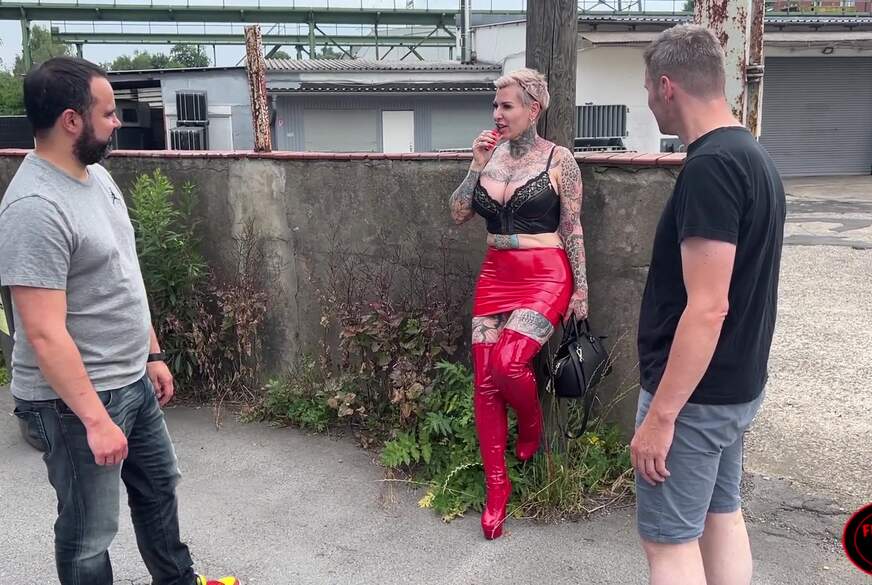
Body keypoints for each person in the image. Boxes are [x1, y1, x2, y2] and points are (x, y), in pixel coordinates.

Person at [0, 56, 239, 585]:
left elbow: (122, 275)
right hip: (75, 402)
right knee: (90, 531)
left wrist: (151, 352)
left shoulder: (98, 177)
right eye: (107, 113)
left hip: (129, 379)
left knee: (158, 490)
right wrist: (94, 420)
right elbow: (42, 331)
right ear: (71, 120)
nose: (117, 122)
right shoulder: (35, 207)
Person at [632, 25, 786, 585]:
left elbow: (707, 307)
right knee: (722, 516)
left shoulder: (711, 167)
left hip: (694, 398)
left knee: (669, 544)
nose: (649, 104)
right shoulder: (753, 156)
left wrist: (661, 417)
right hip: (734, 388)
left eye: (648, 90)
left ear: (666, 86)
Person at [448, 68, 588, 540]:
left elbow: (572, 227)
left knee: (509, 363)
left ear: (533, 109)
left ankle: (530, 424)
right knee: (485, 382)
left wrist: (582, 289)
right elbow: (458, 214)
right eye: (495, 105)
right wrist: (475, 164)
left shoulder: (559, 159)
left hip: (546, 274)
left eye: (506, 105)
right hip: (496, 274)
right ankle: (497, 488)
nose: (497, 114)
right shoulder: (489, 156)